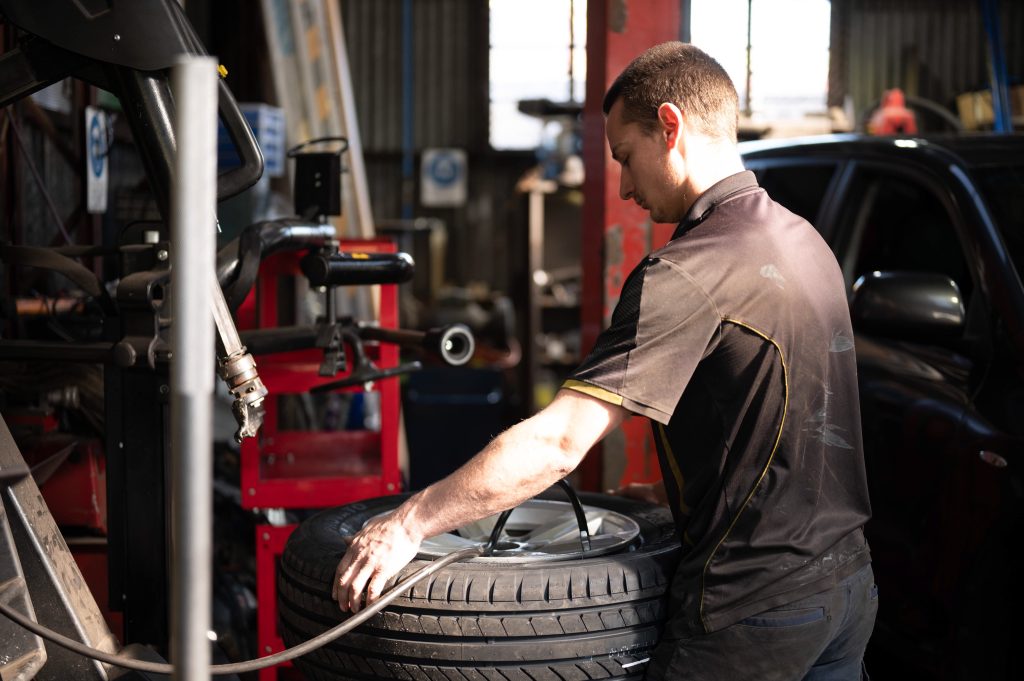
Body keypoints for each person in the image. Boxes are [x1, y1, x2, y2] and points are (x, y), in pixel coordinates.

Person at [334, 41, 876, 681]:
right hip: (845, 587)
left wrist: (410, 522)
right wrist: (696, 493)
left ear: (670, 127)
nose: (622, 187)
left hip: (752, 610)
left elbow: (561, 441)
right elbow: (787, 413)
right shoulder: (801, 237)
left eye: (625, 157)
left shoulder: (688, 269)